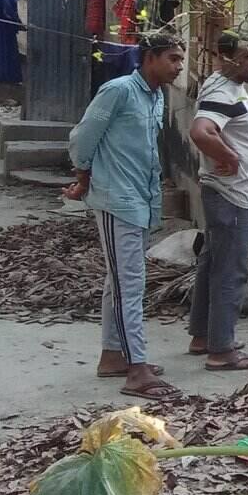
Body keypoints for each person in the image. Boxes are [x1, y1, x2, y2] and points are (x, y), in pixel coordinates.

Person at [66, 33, 185, 400]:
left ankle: (113, 356)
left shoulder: (156, 96)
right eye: (172, 58)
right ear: (149, 58)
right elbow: (83, 138)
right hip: (116, 200)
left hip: (140, 200)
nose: (179, 66)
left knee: (119, 281)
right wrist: (83, 176)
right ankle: (137, 370)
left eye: (180, 59)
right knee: (128, 285)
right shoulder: (117, 91)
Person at [187, 32, 248, 371]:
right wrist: (230, 157)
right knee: (231, 269)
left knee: (213, 262)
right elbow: (201, 131)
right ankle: (222, 351)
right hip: (232, 194)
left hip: (229, 192)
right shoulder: (221, 92)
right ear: (224, 57)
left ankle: (204, 336)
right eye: (246, 56)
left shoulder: (226, 85)